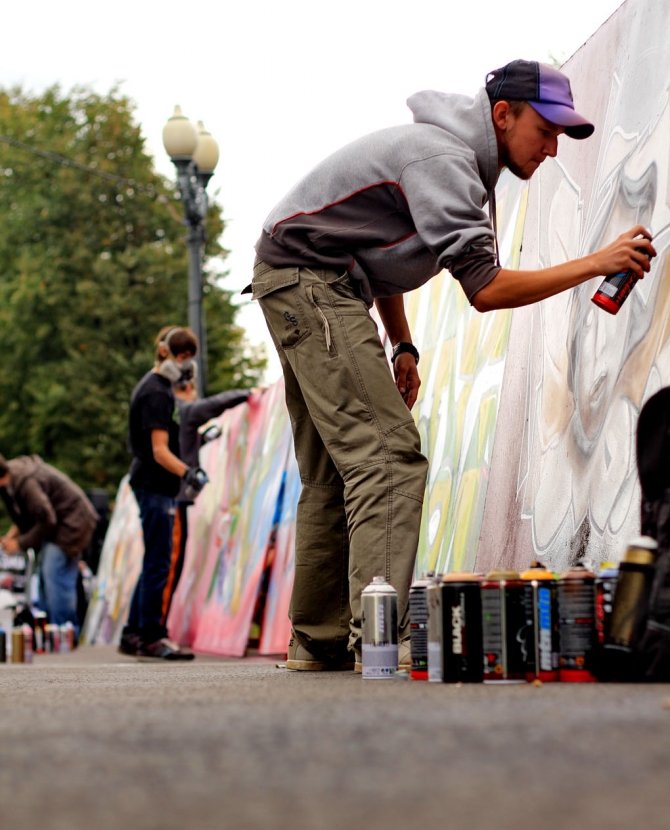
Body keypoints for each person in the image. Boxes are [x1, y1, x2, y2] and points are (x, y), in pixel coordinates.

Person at [249, 59, 657, 673]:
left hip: (307, 281)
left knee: (337, 470)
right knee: (388, 458)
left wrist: (402, 344)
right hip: (312, 284)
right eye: (544, 131)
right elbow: (486, 288)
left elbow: (371, 252)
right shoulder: (444, 161)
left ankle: (318, 642)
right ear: (502, 114)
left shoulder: (447, 158)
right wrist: (597, 262)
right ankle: (379, 640)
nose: (550, 149)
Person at [119, 326, 208, 660]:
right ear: (172, 354)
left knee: (152, 561)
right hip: (155, 485)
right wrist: (189, 473)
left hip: (151, 484)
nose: (186, 367)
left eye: (188, 361)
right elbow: (159, 451)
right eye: (184, 359)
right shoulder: (156, 392)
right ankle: (152, 637)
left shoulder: (155, 386)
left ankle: (133, 634)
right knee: (159, 563)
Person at [160, 370, 251, 622]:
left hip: (172, 496)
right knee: (170, 562)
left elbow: (181, 444)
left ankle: (154, 627)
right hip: (174, 497)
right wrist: (248, 393)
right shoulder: (184, 409)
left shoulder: (172, 411)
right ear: (188, 387)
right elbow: (214, 404)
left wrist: (203, 438)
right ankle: (155, 628)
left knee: (168, 561)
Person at [0, 454, 98, 633]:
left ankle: (64, 633)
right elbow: (25, 517)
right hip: (57, 526)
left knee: (55, 576)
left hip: (72, 523)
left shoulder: (25, 483)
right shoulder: (8, 484)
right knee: (45, 580)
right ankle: (47, 633)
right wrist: (10, 537)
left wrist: (20, 544)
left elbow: (47, 518)